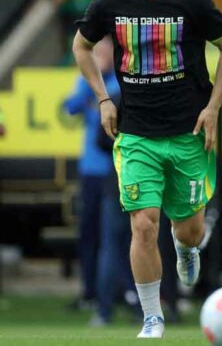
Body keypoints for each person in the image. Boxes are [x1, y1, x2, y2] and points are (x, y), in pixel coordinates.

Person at [72, 0, 222, 338]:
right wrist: (104, 99)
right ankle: (152, 316)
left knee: (189, 228)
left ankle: (185, 248)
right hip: (137, 135)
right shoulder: (109, 4)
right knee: (143, 223)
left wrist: (214, 107)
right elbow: (81, 46)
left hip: (188, 134)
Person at [63, 37, 122, 322]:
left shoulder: (119, 85)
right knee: (88, 235)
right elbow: (70, 108)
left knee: (111, 237)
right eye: (95, 53)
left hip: (113, 171)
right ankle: (90, 292)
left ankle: (114, 295)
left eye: (103, 52)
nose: (99, 57)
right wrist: (91, 77)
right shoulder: (88, 82)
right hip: (90, 169)